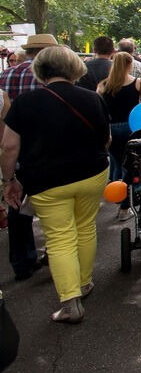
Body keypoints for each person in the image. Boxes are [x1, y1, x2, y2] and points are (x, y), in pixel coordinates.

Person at [1, 45, 110, 323]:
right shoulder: (91, 98)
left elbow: (9, 147)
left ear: (40, 69)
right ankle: (85, 283)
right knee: (85, 228)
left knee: (59, 237)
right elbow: (106, 140)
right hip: (91, 173)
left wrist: (9, 180)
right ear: (74, 67)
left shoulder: (25, 102)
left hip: (47, 180)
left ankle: (70, 302)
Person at [0, 33, 57, 281]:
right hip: (44, 150)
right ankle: (54, 255)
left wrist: (6, 175)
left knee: (16, 206)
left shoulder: (6, 76)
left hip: (14, 149)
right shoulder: (46, 80)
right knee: (53, 207)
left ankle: (22, 261)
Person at [98, 52, 141, 221]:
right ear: (130, 65)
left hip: (111, 129)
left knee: (117, 164)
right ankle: (127, 206)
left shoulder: (103, 85)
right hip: (132, 129)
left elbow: (100, 110)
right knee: (133, 166)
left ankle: (118, 197)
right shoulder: (138, 82)